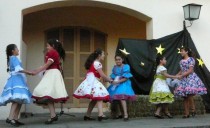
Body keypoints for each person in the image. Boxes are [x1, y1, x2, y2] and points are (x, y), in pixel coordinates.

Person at [32, 39, 69, 124]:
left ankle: (52, 114)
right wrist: (38, 70)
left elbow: (47, 64)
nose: (47, 47)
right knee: (49, 95)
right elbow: (48, 65)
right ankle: (53, 115)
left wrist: (36, 71)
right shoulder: (55, 52)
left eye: (48, 45)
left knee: (44, 92)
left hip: (52, 74)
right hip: (52, 73)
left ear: (53, 46)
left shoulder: (52, 52)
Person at [73, 48, 112, 121]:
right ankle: (100, 115)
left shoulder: (93, 62)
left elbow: (94, 74)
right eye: (103, 54)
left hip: (90, 81)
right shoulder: (98, 63)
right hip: (93, 81)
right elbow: (102, 75)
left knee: (94, 99)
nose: (104, 56)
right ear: (99, 55)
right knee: (99, 95)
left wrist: (102, 79)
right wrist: (109, 80)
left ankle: (87, 115)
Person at [0, 44, 32, 127]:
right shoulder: (14, 58)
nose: (18, 50)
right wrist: (29, 72)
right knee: (16, 99)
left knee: (20, 99)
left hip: (18, 79)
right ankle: (10, 118)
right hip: (16, 80)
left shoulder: (13, 58)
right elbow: (19, 69)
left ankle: (15, 118)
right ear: (12, 51)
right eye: (17, 49)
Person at [174, 47, 207, 118]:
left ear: (186, 52)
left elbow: (190, 70)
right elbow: (181, 70)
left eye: (182, 51)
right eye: (180, 51)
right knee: (185, 97)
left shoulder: (191, 59)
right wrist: (176, 75)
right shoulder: (181, 61)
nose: (181, 52)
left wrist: (182, 75)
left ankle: (193, 109)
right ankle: (186, 113)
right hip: (184, 79)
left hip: (190, 78)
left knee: (189, 94)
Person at [107, 54, 136, 121]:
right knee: (115, 98)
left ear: (122, 60)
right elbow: (113, 76)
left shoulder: (126, 66)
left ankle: (126, 115)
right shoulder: (115, 67)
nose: (118, 61)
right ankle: (119, 113)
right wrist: (111, 80)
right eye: (116, 60)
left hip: (124, 83)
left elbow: (126, 78)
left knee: (122, 97)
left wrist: (118, 81)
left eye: (119, 59)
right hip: (116, 83)